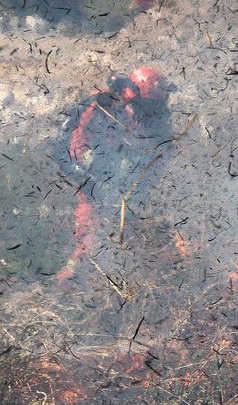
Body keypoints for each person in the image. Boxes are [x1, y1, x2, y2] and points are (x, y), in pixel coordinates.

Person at [55, 67, 174, 285]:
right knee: (91, 240)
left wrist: (139, 190)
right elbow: (67, 146)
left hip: (129, 190)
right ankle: (69, 286)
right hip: (93, 184)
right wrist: (87, 179)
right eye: (149, 105)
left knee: (151, 245)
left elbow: (160, 158)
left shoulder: (156, 119)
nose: (152, 110)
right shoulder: (101, 106)